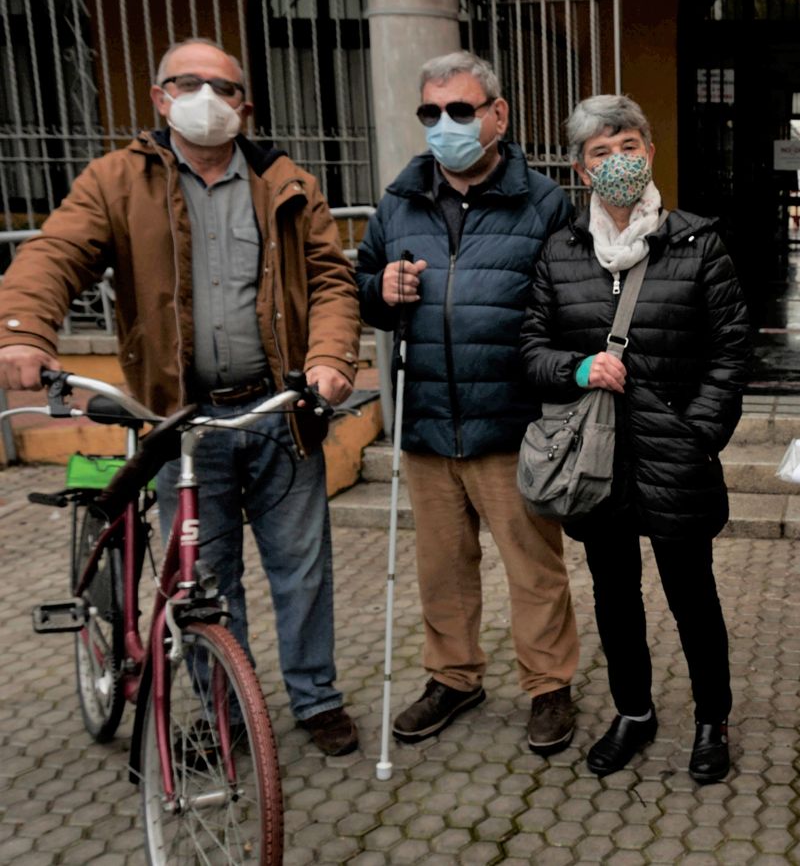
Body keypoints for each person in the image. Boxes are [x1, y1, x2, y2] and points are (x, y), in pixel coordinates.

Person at [0, 38, 364, 756]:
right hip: (179, 420)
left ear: (245, 105)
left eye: (224, 87)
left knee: (303, 570)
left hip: (278, 412)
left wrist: (328, 359)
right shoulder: (117, 180)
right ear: (160, 98)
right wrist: (22, 329)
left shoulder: (285, 180)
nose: (207, 97)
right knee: (202, 578)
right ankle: (225, 713)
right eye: (188, 83)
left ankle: (315, 699)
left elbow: (329, 280)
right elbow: (55, 252)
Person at [520, 94, 751, 784]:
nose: (616, 160)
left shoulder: (697, 242)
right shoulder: (560, 252)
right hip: (593, 463)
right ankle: (634, 711)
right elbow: (530, 347)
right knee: (615, 597)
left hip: (673, 455)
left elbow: (732, 351)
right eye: (600, 151)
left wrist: (699, 433)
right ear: (579, 168)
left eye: (626, 145)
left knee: (692, 596)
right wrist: (576, 367)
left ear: (648, 151)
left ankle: (713, 719)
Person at [355, 51, 580, 754]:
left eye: (460, 110)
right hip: (426, 422)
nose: (444, 125)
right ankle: (453, 676)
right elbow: (361, 281)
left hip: (511, 423)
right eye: (431, 112)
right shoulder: (400, 200)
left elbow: (569, 306)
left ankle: (548, 686)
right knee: (441, 569)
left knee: (532, 568)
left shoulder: (543, 202)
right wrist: (379, 291)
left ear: (497, 114)